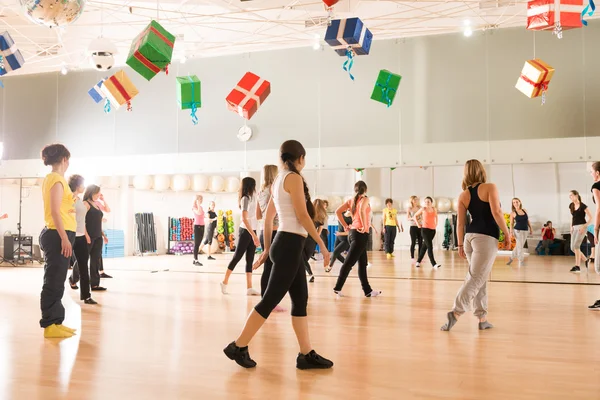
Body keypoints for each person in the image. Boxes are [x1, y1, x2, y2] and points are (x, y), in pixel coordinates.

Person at [224, 140, 333, 370]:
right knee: (270, 300)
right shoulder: (292, 178)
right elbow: (303, 217)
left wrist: (266, 249)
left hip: (285, 244)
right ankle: (238, 346)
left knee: (300, 300)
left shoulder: (277, 181)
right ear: (300, 157)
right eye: (304, 158)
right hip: (289, 244)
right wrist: (322, 244)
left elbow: (267, 217)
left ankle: (306, 353)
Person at [441, 159, 510, 332]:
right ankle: (456, 312)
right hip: (485, 238)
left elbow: (460, 224)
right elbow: (497, 212)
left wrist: (459, 244)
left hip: (469, 238)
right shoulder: (490, 187)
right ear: (481, 171)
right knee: (476, 278)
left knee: (480, 277)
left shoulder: (464, 195)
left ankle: (482, 318)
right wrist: (507, 233)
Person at [39, 144, 78, 338]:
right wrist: (64, 238)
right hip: (57, 235)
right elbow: (54, 211)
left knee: (58, 279)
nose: (69, 163)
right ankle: (49, 324)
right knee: (53, 279)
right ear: (64, 159)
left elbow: (62, 208)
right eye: (68, 159)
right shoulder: (55, 179)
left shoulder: (57, 180)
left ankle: (56, 321)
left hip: (61, 233)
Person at [333, 181, 382, 298]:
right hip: (360, 234)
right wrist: (365, 226)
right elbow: (360, 211)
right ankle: (337, 287)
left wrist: (345, 225)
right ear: (365, 189)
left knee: (363, 263)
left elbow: (337, 212)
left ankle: (367, 290)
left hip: (353, 233)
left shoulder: (351, 200)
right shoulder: (365, 199)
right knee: (349, 263)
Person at [221, 177, 260, 295]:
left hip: (252, 230)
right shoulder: (245, 199)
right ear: (251, 186)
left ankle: (249, 287)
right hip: (245, 232)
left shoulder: (253, 198)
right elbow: (244, 218)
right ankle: (224, 282)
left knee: (250, 259)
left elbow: (256, 216)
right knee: (237, 257)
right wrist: (253, 235)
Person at [255, 165, 285, 312]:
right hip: (273, 232)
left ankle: (266, 299)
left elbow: (258, 216)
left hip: (263, 232)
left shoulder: (260, 192)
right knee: (271, 268)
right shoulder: (273, 191)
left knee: (269, 267)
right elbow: (269, 215)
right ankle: (268, 301)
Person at [67, 175, 97, 305]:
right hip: (69, 235)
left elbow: (83, 221)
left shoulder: (79, 200)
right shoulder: (68, 198)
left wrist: (86, 235)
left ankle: (86, 296)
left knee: (84, 266)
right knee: (63, 266)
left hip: (80, 237)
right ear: (77, 186)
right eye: (83, 184)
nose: (84, 187)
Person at [84, 185, 107, 291]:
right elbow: (80, 221)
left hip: (98, 237)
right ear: (92, 192)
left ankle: (94, 284)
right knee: (83, 260)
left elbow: (98, 223)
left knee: (95, 261)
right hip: (89, 237)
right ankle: (73, 279)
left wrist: (103, 235)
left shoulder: (97, 205)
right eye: (98, 192)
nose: (99, 194)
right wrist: (86, 235)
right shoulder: (86, 204)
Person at [302, 199, 327, 283]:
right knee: (303, 259)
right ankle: (309, 274)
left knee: (301, 259)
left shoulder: (308, 214)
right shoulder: (321, 219)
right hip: (312, 241)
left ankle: (310, 274)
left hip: (302, 237)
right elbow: (318, 233)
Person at [413, 197, 441, 269]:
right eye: (425, 202)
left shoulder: (434, 209)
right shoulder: (423, 209)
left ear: (431, 202)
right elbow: (415, 216)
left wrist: (436, 224)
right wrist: (418, 224)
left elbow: (436, 217)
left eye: (428, 202)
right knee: (430, 246)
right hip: (425, 230)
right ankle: (434, 264)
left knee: (424, 247)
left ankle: (418, 262)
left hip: (432, 231)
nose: (426, 203)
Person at [568, 190, 592, 273]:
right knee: (572, 248)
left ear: (576, 195)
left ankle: (577, 266)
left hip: (581, 227)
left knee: (576, 246)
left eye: (571, 195)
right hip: (574, 228)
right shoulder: (571, 205)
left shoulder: (583, 206)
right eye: (569, 196)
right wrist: (571, 227)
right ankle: (586, 260)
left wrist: (583, 227)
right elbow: (573, 218)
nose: (570, 197)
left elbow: (591, 218)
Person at [588, 162, 600, 309]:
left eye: (591, 171)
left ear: (597, 173)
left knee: (598, 266)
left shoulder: (596, 186)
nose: (591, 174)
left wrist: (596, 229)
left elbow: (599, 209)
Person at [507, 198, 532, 267]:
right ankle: (521, 261)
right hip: (517, 231)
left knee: (519, 246)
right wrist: (511, 232)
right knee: (520, 246)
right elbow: (511, 224)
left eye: (517, 202)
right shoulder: (513, 213)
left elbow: (527, 220)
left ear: (520, 202)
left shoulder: (525, 210)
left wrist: (531, 228)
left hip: (525, 230)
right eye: (514, 202)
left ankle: (511, 258)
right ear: (512, 204)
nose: (515, 203)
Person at [95, 194, 112, 279]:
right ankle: (75, 277)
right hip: (90, 231)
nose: (99, 195)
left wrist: (103, 199)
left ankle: (101, 272)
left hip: (98, 230)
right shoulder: (87, 203)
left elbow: (108, 210)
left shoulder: (97, 203)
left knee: (98, 253)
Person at [406, 196, 422, 263]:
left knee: (421, 242)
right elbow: (408, 218)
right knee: (413, 242)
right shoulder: (409, 208)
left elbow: (422, 217)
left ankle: (420, 257)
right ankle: (412, 257)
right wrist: (413, 218)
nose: (415, 201)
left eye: (416, 199)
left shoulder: (420, 208)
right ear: (411, 200)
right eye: (414, 199)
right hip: (413, 227)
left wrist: (419, 220)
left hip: (420, 226)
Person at [192, 194, 205, 266]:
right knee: (196, 244)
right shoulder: (194, 207)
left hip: (202, 226)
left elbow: (203, 216)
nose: (202, 201)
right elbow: (199, 213)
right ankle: (196, 260)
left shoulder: (201, 207)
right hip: (197, 227)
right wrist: (198, 204)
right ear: (197, 200)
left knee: (199, 243)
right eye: (201, 199)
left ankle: (194, 260)